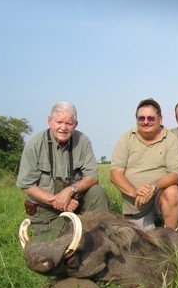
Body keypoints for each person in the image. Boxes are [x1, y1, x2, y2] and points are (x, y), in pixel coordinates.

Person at [16, 101, 110, 240]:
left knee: (97, 191)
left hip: (76, 204)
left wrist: (69, 191)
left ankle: (101, 236)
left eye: (69, 123)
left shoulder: (83, 141)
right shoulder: (34, 145)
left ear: (75, 124)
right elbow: (26, 185)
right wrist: (56, 200)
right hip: (47, 212)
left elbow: (92, 177)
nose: (63, 128)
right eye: (59, 122)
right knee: (48, 256)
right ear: (49, 121)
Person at [110, 98, 178, 231]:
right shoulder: (126, 138)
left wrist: (153, 188)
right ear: (136, 119)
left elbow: (176, 173)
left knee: (173, 192)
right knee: (138, 245)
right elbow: (115, 174)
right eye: (141, 118)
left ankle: (170, 236)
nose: (145, 122)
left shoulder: (170, 139)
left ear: (160, 119)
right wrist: (135, 192)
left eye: (150, 118)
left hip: (159, 197)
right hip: (136, 204)